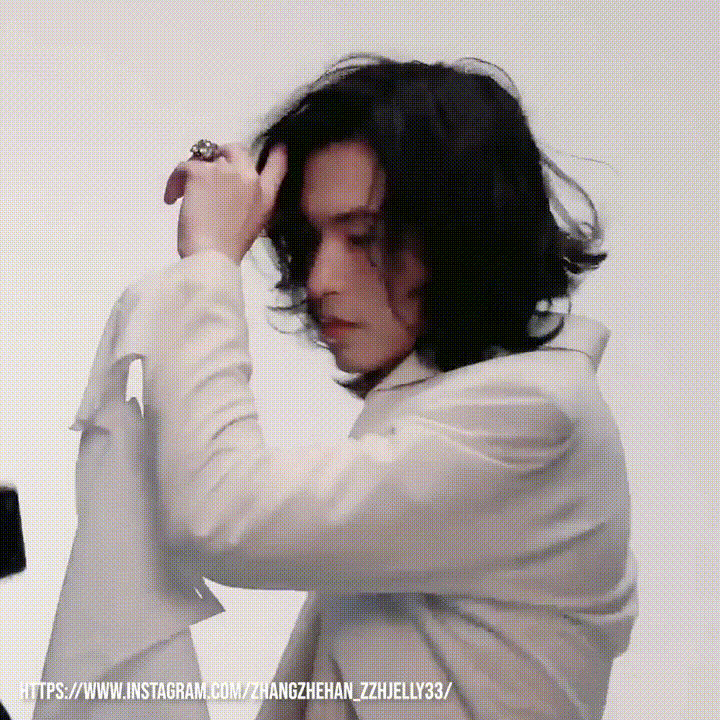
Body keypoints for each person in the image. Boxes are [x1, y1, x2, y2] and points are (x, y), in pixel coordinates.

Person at [42, 56, 638, 720]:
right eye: (308, 239)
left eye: (362, 238)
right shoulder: (456, 407)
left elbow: (222, 513)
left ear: (463, 235)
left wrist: (209, 263)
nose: (320, 279)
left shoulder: (533, 414)